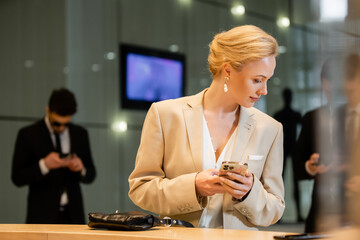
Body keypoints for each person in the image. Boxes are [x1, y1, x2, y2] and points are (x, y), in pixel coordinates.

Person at [128, 25, 285, 230]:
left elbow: (275, 209)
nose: (264, 90)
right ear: (227, 70)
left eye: (267, 80)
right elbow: (140, 189)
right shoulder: (165, 115)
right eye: (257, 80)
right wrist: (193, 187)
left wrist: (249, 192)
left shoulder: (270, 129)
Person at [11, 88, 96, 224]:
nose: (61, 128)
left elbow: (91, 174)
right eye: (57, 123)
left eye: (66, 123)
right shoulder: (28, 134)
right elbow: (17, 177)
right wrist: (44, 165)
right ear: (47, 110)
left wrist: (81, 168)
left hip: (73, 215)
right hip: (41, 215)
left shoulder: (80, 134)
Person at [294, 56, 348, 233]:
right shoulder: (312, 118)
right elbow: (297, 166)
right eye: (328, 82)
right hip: (320, 212)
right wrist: (310, 167)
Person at [274, 88, 303, 222]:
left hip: (293, 149)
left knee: (293, 182)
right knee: (280, 182)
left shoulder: (293, 114)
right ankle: (279, 215)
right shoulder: (280, 115)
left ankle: (298, 214)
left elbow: (304, 132)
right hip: (283, 149)